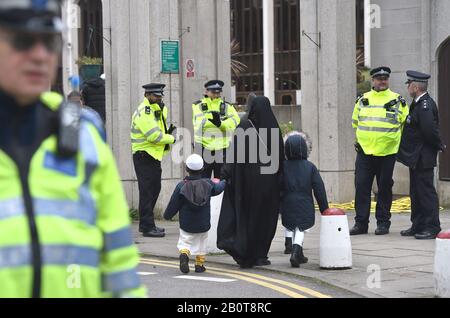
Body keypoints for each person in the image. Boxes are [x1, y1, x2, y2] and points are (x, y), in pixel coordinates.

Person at [0, 0, 145, 297]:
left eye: (49, 42)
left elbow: (119, 260)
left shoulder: (84, 135)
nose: (40, 56)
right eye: (23, 40)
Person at [217, 96, 284, 268]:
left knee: (247, 217)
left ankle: (246, 253)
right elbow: (280, 159)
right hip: (269, 185)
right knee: (265, 219)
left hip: (246, 184)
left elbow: (233, 154)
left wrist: (224, 174)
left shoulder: (245, 126)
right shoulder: (274, 129)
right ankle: (261, 254)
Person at [350, 66, 409, 236]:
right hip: (365, 153)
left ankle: (383, 223)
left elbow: (404, 124)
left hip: (387, 153)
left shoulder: (397, 100)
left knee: (384, 188)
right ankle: (361, 224)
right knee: (361, 187)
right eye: (379, 78)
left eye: (385, 78)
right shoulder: (362, 99)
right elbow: (356, 122)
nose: (383, 81)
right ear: (373, 80)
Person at [397, 71, 446, 239]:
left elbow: (428, 131)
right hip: (416, 157)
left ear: (416, 87)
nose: (408, 87)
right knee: (416, 192)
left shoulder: (425, 105)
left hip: (423, 156)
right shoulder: (417, 103)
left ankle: (432, 227)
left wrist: (439, 145)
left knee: (425, 192)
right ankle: (418, 224)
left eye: (409, 84)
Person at [163, 154, 226, 274]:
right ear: (202, 169)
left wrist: (167, 215)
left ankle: (184, 254)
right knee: (202, 242)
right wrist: (224, 181)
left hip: (186, 223)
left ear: (187, 169)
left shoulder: (182, 185)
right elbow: (218, 189)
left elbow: (174, 203)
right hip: (203, 223)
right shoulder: (208, 184)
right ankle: (199, 265)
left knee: (185, 241)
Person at [131, 83, 176, 238]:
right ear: (147, 95)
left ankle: (148, 225)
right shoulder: (145, 111)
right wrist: (171, 138)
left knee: (154, 189)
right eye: (155, 96)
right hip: (144, 155)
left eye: (160, 96)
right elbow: (154, 136)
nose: (159, 98)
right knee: (147, 192)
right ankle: (147, 226)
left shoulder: (155, 109)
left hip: (152, 156)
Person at [281, 132, 329, 267]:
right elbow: (319, 188)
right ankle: (296, 252)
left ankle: (296, 252)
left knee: (292, 225)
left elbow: (277, 186)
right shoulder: (310, 167)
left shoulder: (283, 166)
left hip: (288, 202)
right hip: (305, 202)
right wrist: (324, 208)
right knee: (301, 228)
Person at [192, 80, 240, 178]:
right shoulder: (198, 106)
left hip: (223, 149)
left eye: (218, 92)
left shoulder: (227, 106)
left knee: (223, 181)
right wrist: (221, 124)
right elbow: (199, 125)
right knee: (204, 182)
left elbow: (235, 122)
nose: (216, 95)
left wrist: (220, 124)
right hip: (204, 149)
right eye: (213, 92)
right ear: (206, 92)